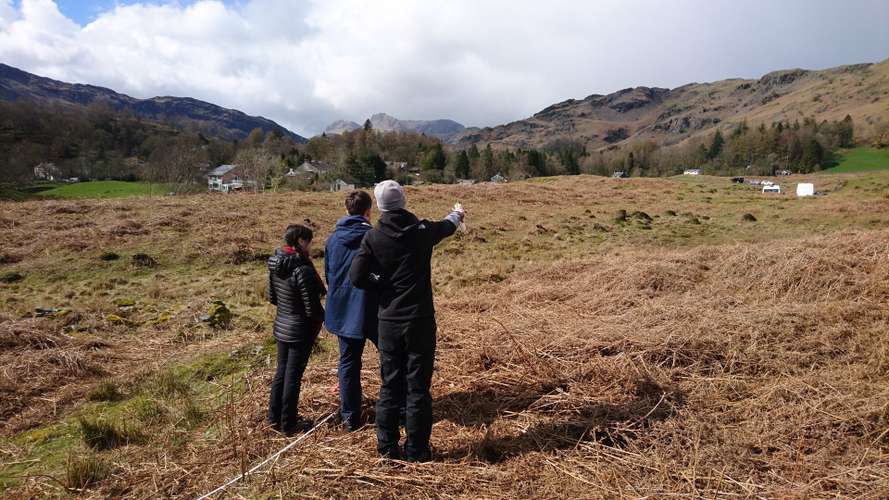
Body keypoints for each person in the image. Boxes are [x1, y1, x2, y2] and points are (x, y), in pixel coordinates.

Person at [350, 180, 464, 461]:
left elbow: (356, 277)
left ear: (379, 205)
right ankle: (417, 450)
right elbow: (446, 226)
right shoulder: (421, 231)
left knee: (390, 385)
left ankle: (387, 448)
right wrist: (458, 214)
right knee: (418, 388)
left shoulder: (373, 238)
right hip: (421, 320)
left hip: (388, 321)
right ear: (403, 200)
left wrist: (381, 282)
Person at [324, 190, 379, 431]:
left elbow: (329, 275)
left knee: (348, 363)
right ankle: (395, 410)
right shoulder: (375, 236)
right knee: (389, 359)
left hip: (344, 310)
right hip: (373, 309)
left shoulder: (332, 240)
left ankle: (349, 417)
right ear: (368, 212)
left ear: (346, 210)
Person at [266, 224, 326, 436]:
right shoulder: (302, 269)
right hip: (301, 329)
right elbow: (311, 307)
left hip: (282, 325)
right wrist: (324, 320)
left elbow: (272, 297)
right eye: (309, 241)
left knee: (281, 373)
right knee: (293, 376)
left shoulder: (275, 264)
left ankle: (273, 418)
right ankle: (289, 423)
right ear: (300, 241)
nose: (310, 246)